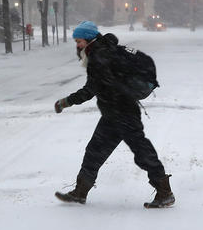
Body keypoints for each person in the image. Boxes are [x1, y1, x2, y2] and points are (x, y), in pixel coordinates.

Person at [53, 20, 175, 209]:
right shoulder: (103, 52)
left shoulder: (99, 56)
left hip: (123, 112)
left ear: (88, 39)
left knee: (142, 152)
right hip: (114, 112)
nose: (77, 45)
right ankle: (80, 192)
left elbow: (90, 89)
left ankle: (165, 192)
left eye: (79, 41)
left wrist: (66, 102)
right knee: (94, 151)